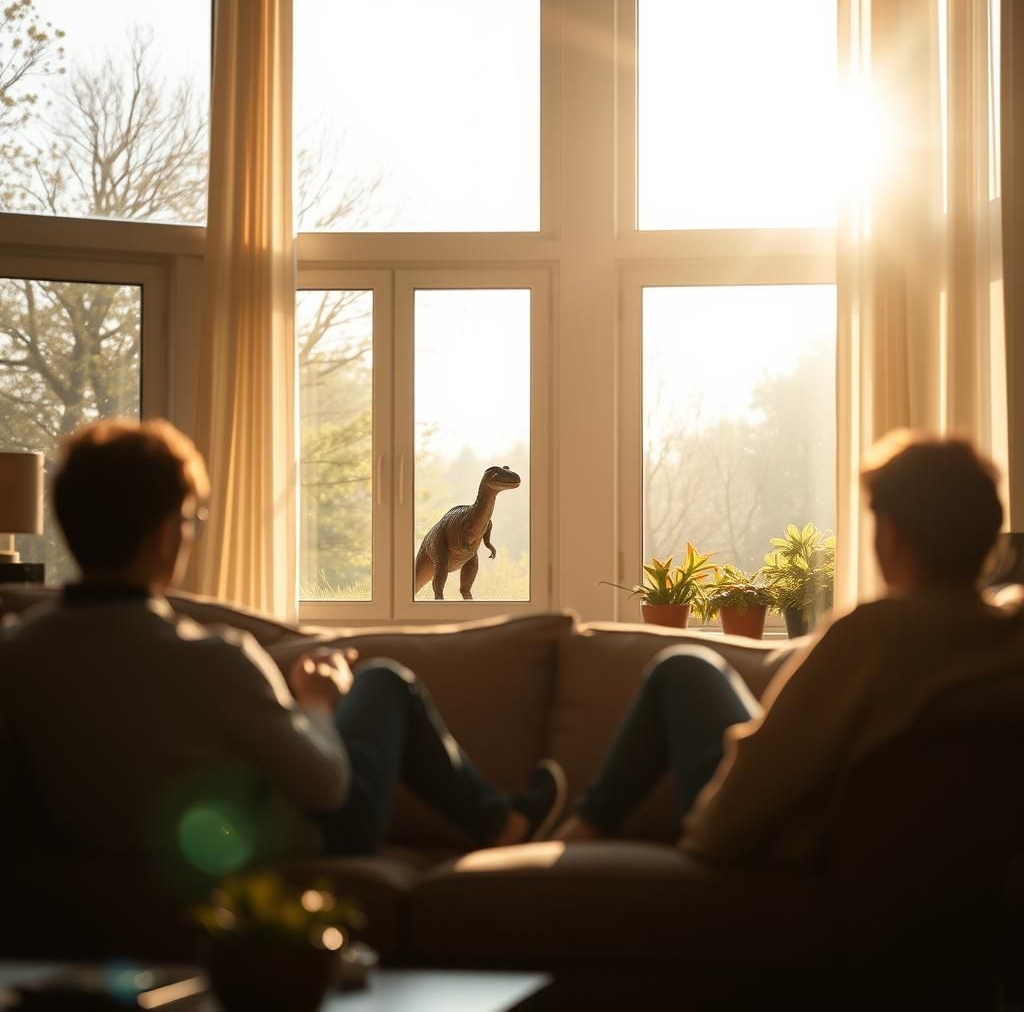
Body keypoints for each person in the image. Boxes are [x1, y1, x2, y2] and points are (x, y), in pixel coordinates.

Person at [0, 419, 566, 870]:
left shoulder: (16, 656)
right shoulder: (217, 658)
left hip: (88, 856)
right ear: (166, 535)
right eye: (192, 522)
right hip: (280, 843)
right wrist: (317, 702)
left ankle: (501, 823)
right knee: (383, 682)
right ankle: (502, 825)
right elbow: (326, 787)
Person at [554, 430, 1024, 867]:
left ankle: (571, 840)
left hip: (791, 852)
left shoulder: (872, 635)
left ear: (891, 535)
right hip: (928, 870)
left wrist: (702, 834)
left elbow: (756, 785)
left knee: (681, 669)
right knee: (692, 671)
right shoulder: (1008, 632)